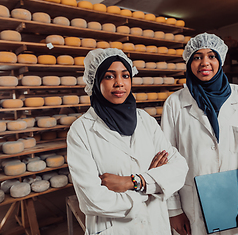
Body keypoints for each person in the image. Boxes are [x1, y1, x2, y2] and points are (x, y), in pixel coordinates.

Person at [161, 33, 238, 235]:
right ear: (189, 62)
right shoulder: (175, 103)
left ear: (220, 60)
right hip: (192, 205)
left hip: (237, 202)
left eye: (211, 56)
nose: (205, 62)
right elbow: (167, 158)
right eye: (197, 57)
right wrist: (174, 209)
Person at [67, 48, 188, 235]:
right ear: (96, 81)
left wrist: (134, 182)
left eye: (125, 75)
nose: (119, 83)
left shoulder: (145, 120)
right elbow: (92, 200)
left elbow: (179, 169)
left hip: (155, 225)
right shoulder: (81, 130)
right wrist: (151, 188)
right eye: (109, 76)